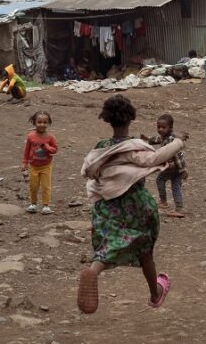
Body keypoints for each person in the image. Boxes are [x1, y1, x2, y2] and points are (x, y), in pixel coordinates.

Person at [77, 94, 184, 314]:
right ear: (130, 119)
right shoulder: (134, 147)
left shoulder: (101, 147)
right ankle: (155, 294)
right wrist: (179, 141)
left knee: (110, 244)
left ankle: (93, 271)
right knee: (145, 249)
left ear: (108, 119)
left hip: (107, 205)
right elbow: (154, 158)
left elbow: (89, 169)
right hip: (136, 205)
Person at [140, 114, 189, 217]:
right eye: (158, 127)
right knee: (176, 186)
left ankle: (163, 201)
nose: (160, 129)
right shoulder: (166, 137)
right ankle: (179, 208)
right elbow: (157, 139)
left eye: (163, 127)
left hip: (172, 167)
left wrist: (183, 170)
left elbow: (177, 155)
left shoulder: (170, 140)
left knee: (160, 180)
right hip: (176, 168)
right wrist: (148, 139)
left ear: (170, 128)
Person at [22, 111, 58, 214]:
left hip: (46, 165)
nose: (42, 124)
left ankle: (46, 205)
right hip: (33, 165)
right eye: (39, 122)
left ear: (48, 123)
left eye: (45, 122)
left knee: (46, 186)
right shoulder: (31, 136)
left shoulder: (50, 137)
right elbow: (27, 150)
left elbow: (55, 149)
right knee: (33, 186)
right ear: (34, 123)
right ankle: (33, 204)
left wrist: (47, 147)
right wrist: (24, 162)